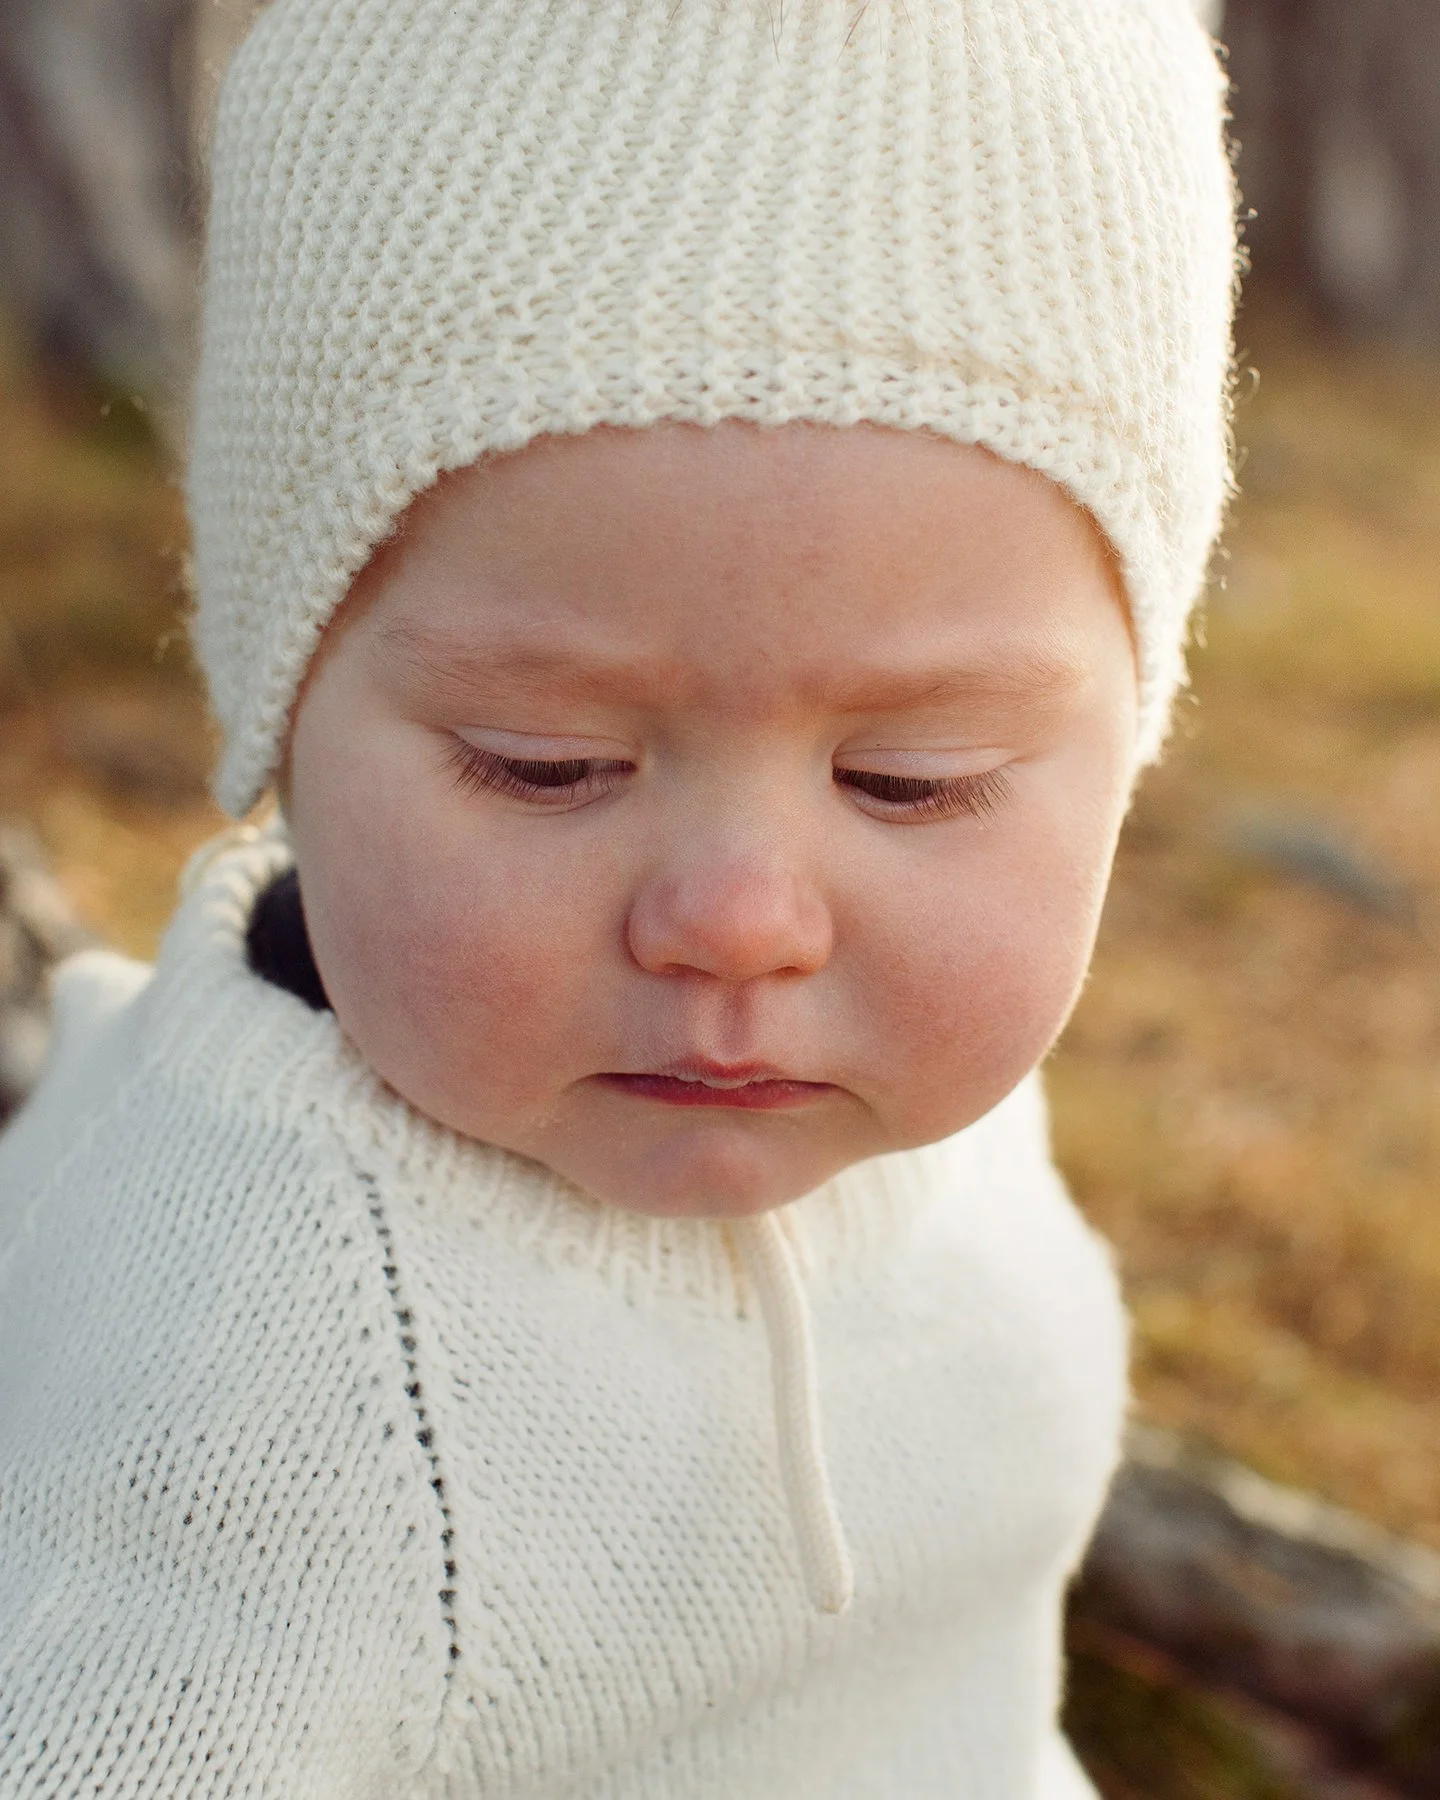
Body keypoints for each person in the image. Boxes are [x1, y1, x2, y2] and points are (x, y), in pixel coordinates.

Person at [0, 0, 1236, 1793]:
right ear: (280, 710)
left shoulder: (901, 1085)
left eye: (915, 784)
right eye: (544, 762)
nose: (742, 919)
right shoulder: (247, 1385)